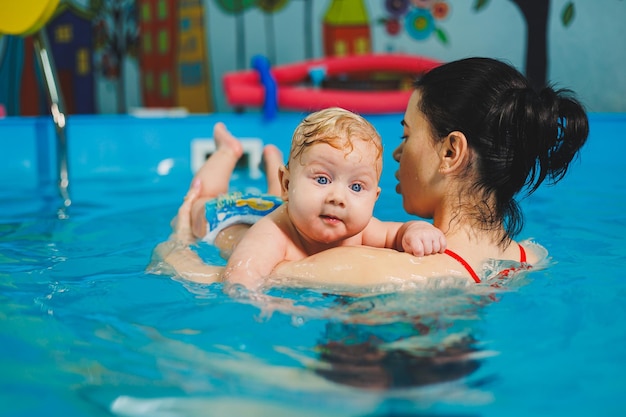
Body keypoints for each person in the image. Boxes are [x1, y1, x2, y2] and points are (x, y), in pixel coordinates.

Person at [156, 57, 588, 289]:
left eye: (407, 133)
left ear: (452, 151)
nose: (398, 153)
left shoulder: (367, 265)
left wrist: (176, 240)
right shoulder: (531, 257)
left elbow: (230, 283)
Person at [162, 107, 446, 290]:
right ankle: (227, 151)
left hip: (285, 204)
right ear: (288, 183)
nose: (338, 197)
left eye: (357, 187)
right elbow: (238, 278)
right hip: (228, 219)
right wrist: (261, 299)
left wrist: (416, 230)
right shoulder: (271, 235)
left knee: (285, 201)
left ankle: (272, 164)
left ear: (374, 198)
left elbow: (397, 232)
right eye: (322, 179)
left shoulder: (362, 228)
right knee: (200, 202)